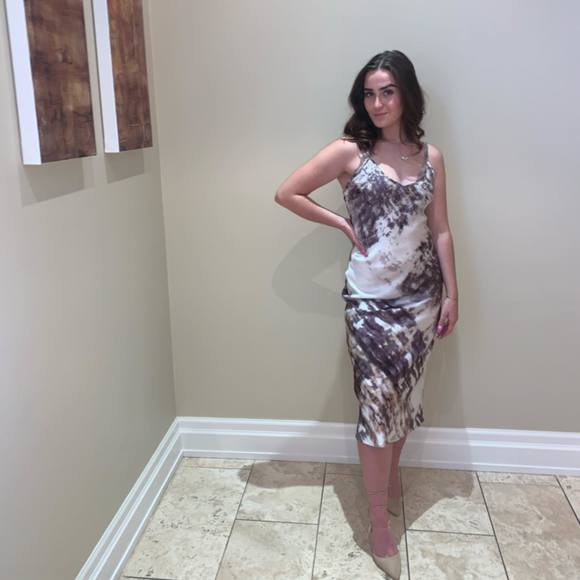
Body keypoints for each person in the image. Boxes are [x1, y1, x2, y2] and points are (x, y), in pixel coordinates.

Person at [274, 49, 458, 578]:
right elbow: (288, 192)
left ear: (406, 95)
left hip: (421, 304)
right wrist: (341, 223)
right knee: (377, 410)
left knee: (404, 401)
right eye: (369, 94)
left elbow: (441, 229)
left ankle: (389, 485)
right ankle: (378, 524)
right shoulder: (350, 151)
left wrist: (452, 293)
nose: (377, 103)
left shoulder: (431, 157)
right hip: (370, 306)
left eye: (387, 92)